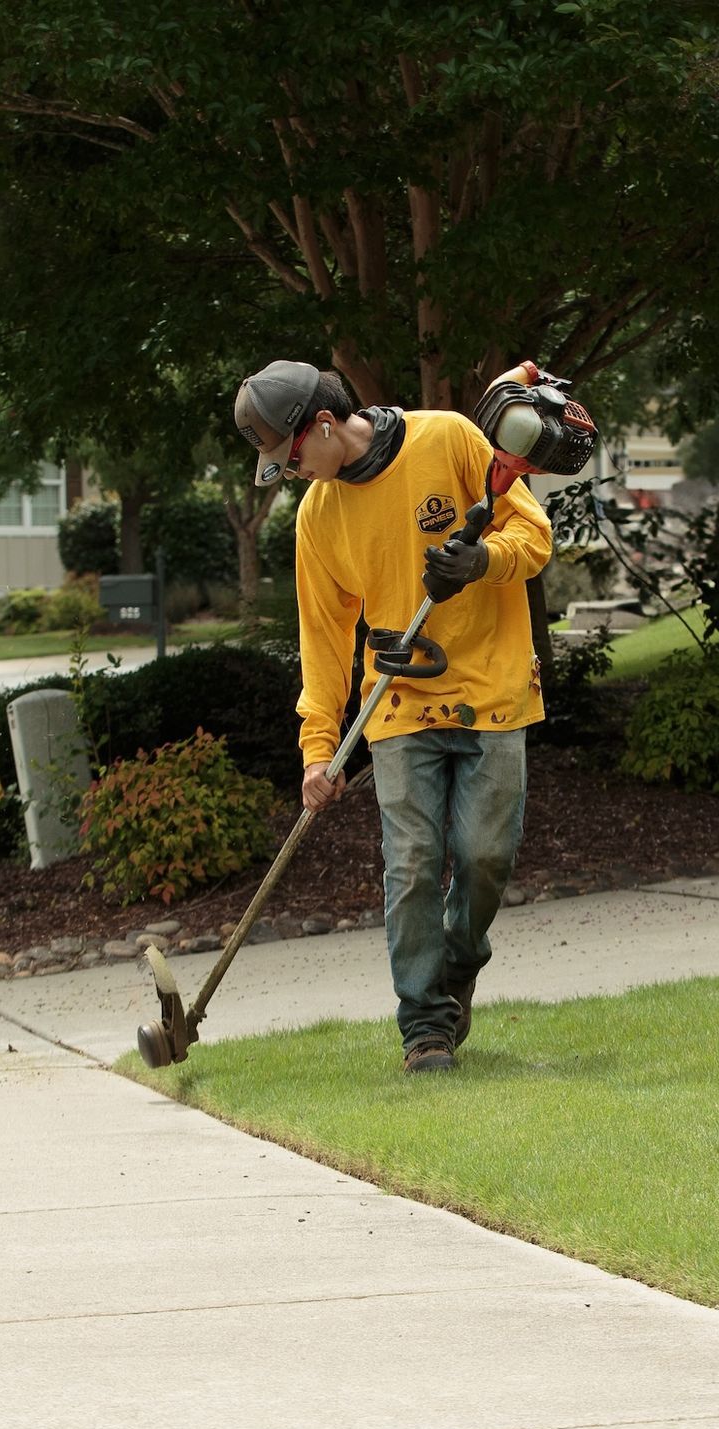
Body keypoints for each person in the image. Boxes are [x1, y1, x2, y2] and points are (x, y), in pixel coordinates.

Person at [232, 360, 553, 1073]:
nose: (288, 473)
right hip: (401, 698)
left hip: (495, 687)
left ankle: (457, 965)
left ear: (319, 426)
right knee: (411, 865)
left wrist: (478, 562)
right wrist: (319, 749)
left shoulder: (448, 439)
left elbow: (533, 538)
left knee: (483, 859)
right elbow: (322, 640)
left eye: (288, 459)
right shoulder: (318, 516)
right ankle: (425, 1030)